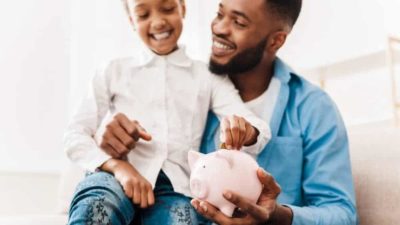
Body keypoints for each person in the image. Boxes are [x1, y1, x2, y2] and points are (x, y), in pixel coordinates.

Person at [63, 0, 271, 224]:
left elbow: (259, 128)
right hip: (114, 176)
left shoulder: (208, 77)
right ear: (131, 21)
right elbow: (75, 135)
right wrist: (118, 166)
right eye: (143, 14)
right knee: (97, 207)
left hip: (177, 188)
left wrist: (247, 130)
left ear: (183, 8)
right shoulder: (112, 71)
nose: (158, 21)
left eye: (168, 8)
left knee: (183, 220)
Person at [190, 0, 358, 224]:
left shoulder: (313, 108)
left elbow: (342, 214)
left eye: (239, 22)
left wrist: (278, 216)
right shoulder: (192, 94)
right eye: (219, 14)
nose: (219, 28)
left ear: (276, 40)